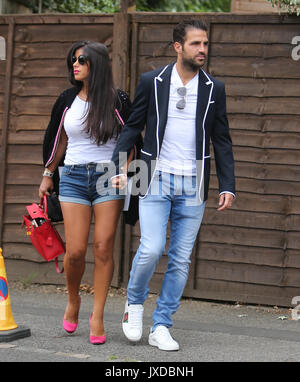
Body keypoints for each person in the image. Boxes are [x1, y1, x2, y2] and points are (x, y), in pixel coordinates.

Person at [111, 20, 235, 351]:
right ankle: (134, 304)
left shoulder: (214, 88)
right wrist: (117, 164)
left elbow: (221, 139)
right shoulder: (152, 81)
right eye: (196, 44)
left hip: (194, 180)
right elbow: (132, 126)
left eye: (205, 44)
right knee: (151, 248)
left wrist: (228, 184)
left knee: (180, 258)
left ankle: (162, 325)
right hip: (153, 175)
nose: (203, 50)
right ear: (178, 46)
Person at [39, 40, 140, 345]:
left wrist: (126, 171)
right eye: (73, 59)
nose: (75, 64)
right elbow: (59, 140)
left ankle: (97, 315)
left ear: (96, 63)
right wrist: (47, 174)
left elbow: (133, 139)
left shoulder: (117, 99)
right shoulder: (67, 99)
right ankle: (73, 300)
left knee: (103, 247)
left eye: (81, 60)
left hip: (108, 176)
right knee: (76, 251)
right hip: (71, 176)